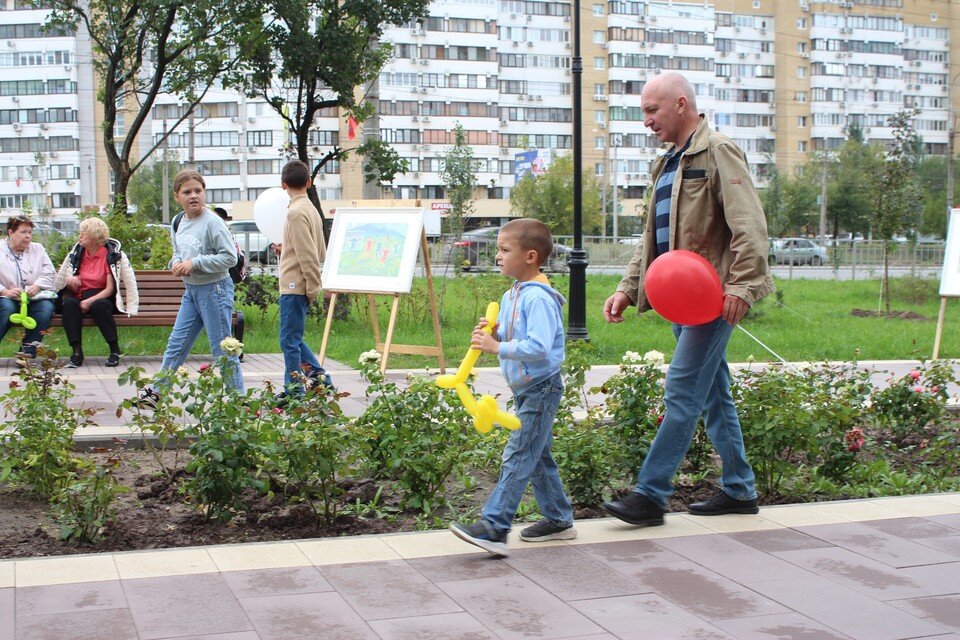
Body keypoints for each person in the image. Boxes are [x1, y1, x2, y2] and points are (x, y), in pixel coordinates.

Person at [601, 71, 775, 527]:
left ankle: (651, 494)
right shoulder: (667, 163)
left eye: (651, 111)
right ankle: (740, 489)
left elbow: (749, 225)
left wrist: (742, 285)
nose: (646, 121)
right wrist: (628, 286)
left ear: (681, 104)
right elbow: (650, 238)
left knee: (681, 389)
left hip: (714, 298)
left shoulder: (717, 150)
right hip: (681, 301)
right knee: (714, 395)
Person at [449, 218, 575, 557]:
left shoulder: (539, 299)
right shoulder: (512, 294)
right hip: (526, 387)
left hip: (541, 387)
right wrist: (496, 334)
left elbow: (539, 346)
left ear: (531, 256)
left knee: (520, 453)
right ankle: (559, 519)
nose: (498, 257)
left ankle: (495, 526)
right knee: (537, 454)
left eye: (505, 250)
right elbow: (515, 337)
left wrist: (496, 348)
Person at [140, 170, 243, 405]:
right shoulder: (178, 221)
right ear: (177, 196)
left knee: (223, 351)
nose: (193, 196)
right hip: (192, 292)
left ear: (204, 192)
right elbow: (178, 252)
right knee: (176, 345)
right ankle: (154, 397)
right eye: (187, 192)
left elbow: (230, 258)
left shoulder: (213, 222)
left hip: (215, 290)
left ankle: (239, 405)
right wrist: (175, 263)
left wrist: (195, 263)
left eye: (198, 190)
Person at [275, 159, 331, 398]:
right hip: (299, 282)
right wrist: (285, 248)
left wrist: (312, 286)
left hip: (295, 284)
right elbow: (316, 248)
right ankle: (320, 379)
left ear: (283, 184)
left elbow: (307, 253)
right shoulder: (310, 209)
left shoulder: (296, 212)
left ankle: (294, 390)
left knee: (289, 341)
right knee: (293, 339)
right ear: (309, 182)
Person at [54, 217, 139, 368]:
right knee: (69, 304)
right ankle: (76, 353)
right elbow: (61, 280)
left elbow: (110, 289)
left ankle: (114, 350)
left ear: (94, 237)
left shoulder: (111, 255)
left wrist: (89, 301)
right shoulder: (76, 253)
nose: (79, 236)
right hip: (79, 295)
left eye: (83, 234)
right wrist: (70, 281)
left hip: (102, 297)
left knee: (99, 306)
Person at [0, 216, 56, 361]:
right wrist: (5, 291)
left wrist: (37, 286)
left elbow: (50, 272)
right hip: (8, 296)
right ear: (11, 232)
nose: (28, 236)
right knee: (6, 309)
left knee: (45, 310)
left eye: (30, 232)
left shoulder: (38, 249)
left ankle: (26, 353)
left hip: (35, 296)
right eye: (23, 232)